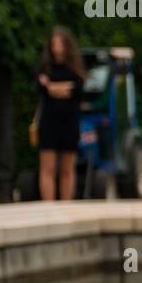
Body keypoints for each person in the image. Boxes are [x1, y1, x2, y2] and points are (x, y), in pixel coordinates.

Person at [36, 27, 86, 201]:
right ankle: (48, 207)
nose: (57, 47)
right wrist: (61, 88)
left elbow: (75, 90)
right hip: (49, 122)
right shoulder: (44, 68)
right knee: (47, 167)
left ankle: (66, 205)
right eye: (54, 43)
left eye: (60, 43)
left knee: (67, 168)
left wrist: (52, 87)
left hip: (69, 122)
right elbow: (44, 89)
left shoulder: (75, 70)